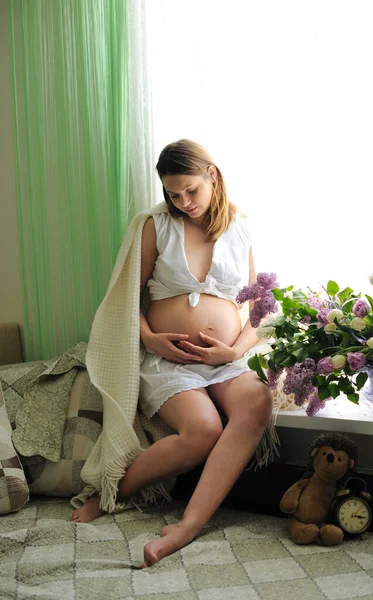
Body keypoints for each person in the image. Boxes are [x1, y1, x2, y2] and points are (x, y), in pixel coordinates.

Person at [72, 139, 273, 567]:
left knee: (258, 401)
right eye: (173, 194)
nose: (183, 202)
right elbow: (128, 299)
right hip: (170, 360)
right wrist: (151, 340)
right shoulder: (155, 224)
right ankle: (112, 491)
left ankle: (187, 526)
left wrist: (231, 351)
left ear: (211, 176)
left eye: (191, 191)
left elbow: (257, 307)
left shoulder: (241, 227)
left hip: (225, 359)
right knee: (202, 431)